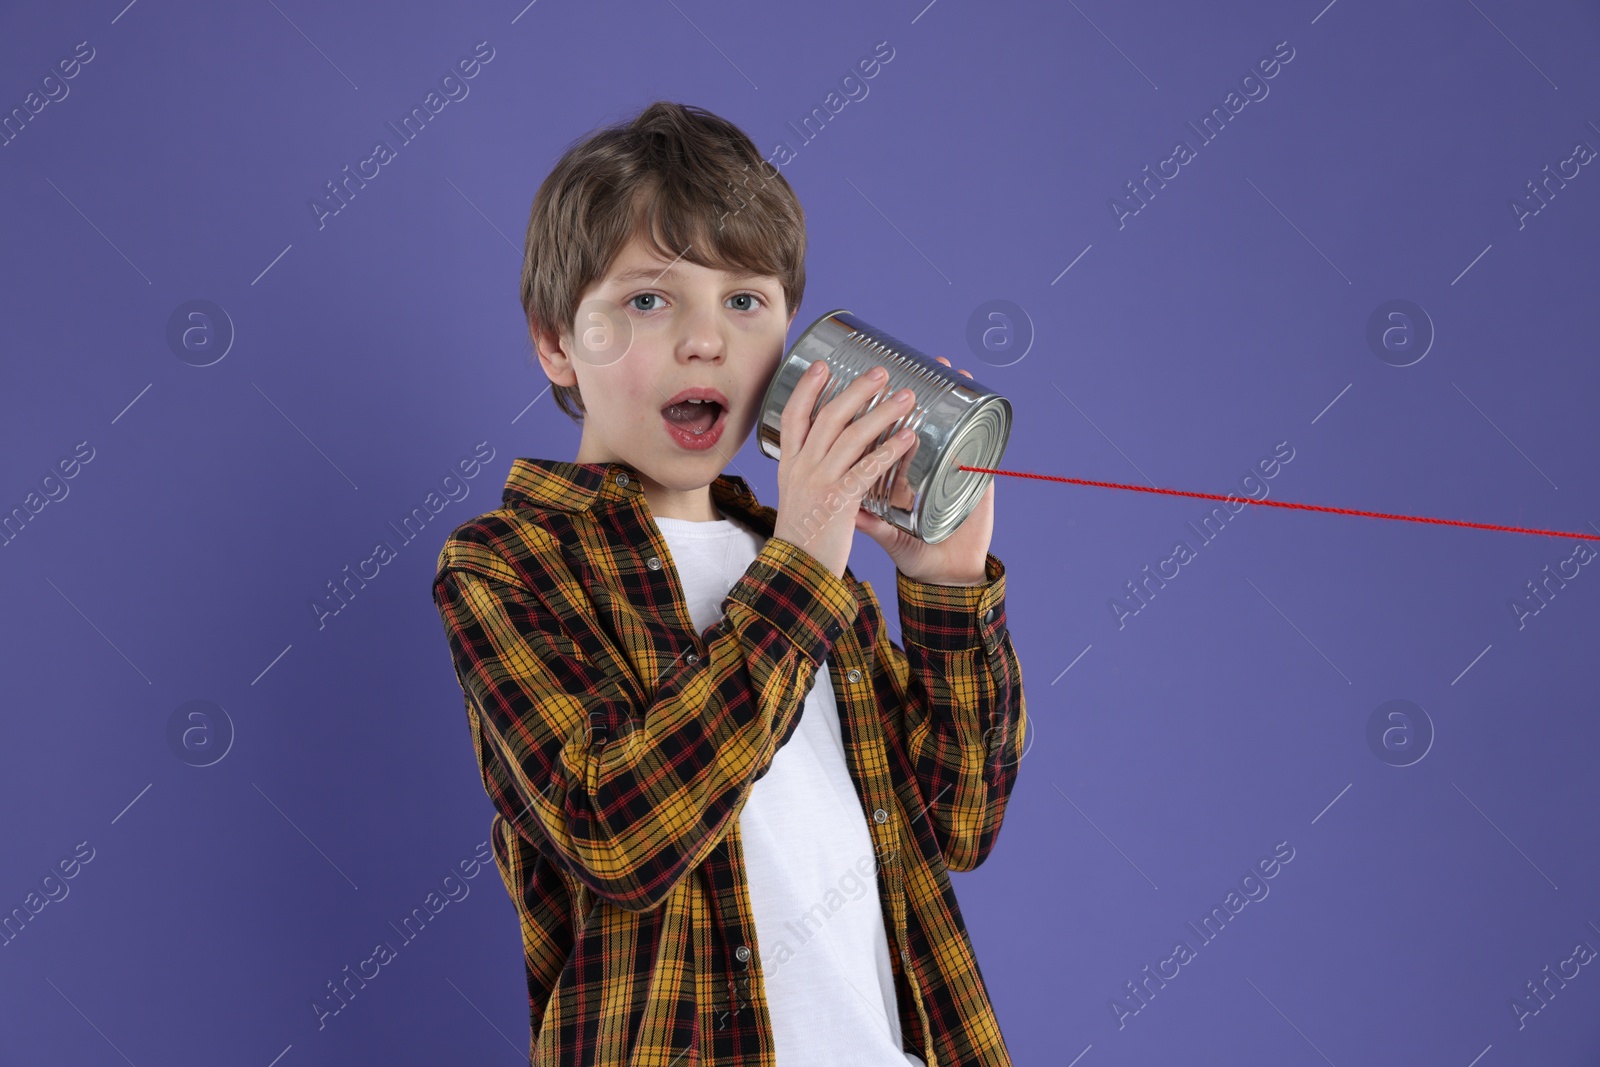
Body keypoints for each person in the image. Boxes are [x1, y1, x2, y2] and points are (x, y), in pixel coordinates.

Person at [431, 100, 1026, 1066]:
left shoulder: (811, 575)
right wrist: (804, 564)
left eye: (744, 301)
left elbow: (958, 823)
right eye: (648, 300)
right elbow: (615, 828)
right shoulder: (509, 563)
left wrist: (947, 587)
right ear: (555, 343)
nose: (704, 340)